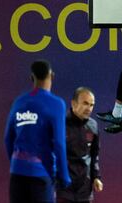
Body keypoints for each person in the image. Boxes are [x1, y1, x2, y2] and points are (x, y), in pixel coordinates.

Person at [4, 60, 71, 203]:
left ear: (31, 78)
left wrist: (17, 163)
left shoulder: (19, 102)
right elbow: (59, 143)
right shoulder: (57, 104)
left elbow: (8, 138)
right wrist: (63, 175)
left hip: (17, 175)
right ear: (52, 76)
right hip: (41, 175)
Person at [56, 87, 103, 203]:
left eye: (92, 105)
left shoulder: (93, 126)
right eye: (85, 103)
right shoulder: (60, 124)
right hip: (64, 189)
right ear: (73, 103)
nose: (89, 108)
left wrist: (96, 177)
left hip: (85, 189)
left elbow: (94, 155)